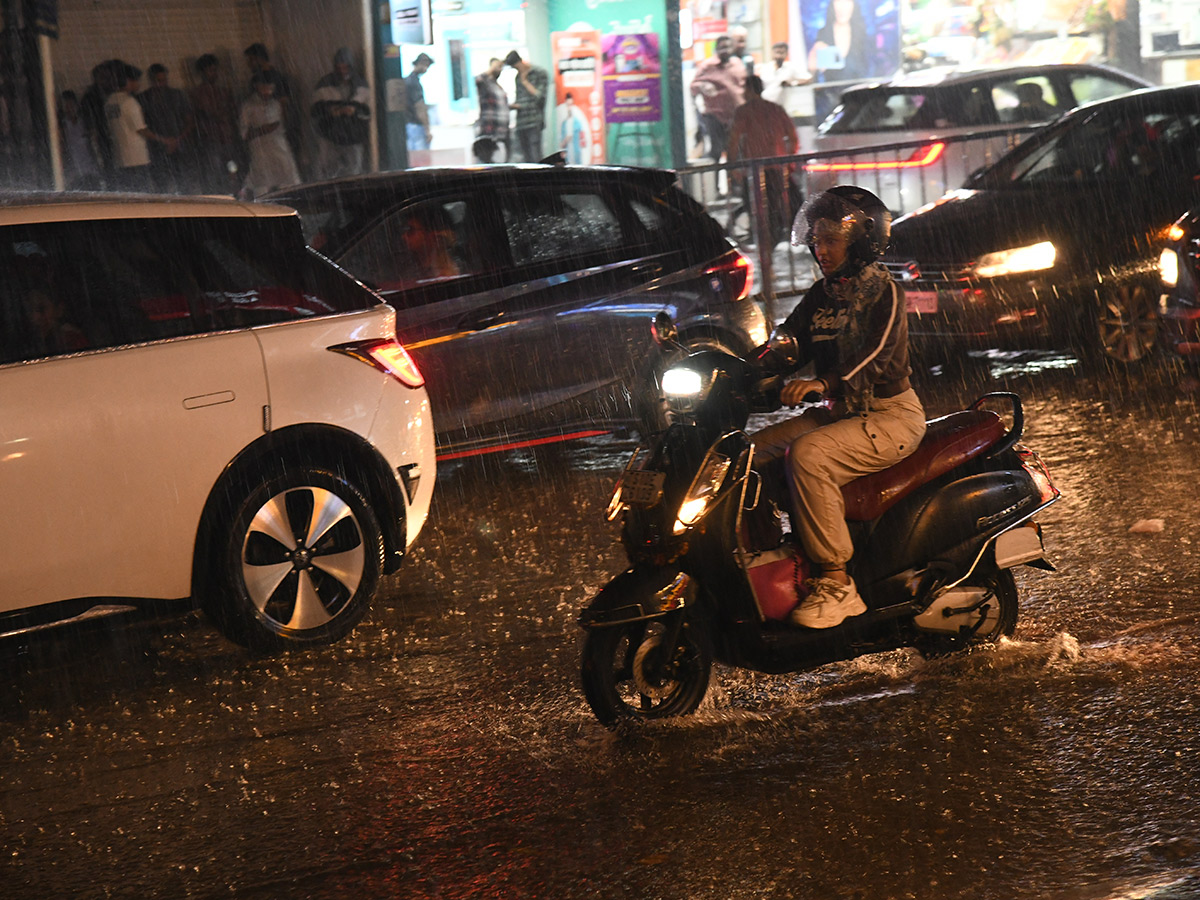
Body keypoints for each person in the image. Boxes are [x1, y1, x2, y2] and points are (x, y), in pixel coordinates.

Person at [752, 186, 926, 629]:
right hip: (839, 413)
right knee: (746, 455)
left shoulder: (884, 293)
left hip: (889, 416)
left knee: (809, 455)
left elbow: (875, 357)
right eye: (816, 239)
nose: (820, 249)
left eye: (831, 239)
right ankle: (774, 556)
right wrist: (742, 371)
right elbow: (785, 345)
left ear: (861, 242)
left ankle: (837, 582)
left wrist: (822, 382)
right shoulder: (821, 296)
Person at [726, 75, 800, 246]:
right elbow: (793, 138)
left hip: (753, 171)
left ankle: (764, 245)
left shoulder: (744, 112)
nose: (743, 92)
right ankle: (785, 233)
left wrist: (732, 167)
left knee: (757, 211)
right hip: (777, 170)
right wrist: (789, 161)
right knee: (788, 205)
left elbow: (733, 141)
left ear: (751, 90)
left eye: (745, 88)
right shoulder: (775, 109)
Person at [105, 64, 176, 192]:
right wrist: (165, 140)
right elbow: (142, 130)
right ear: (129, 81)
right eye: (136, 80)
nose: (138, 84)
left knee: (129, 194)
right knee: (141, 192)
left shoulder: (110, 101)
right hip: (136, 158)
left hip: (120, 157)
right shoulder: (129, 102)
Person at [311, 47, 371, 179]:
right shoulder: (324, 85)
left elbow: (368, 111)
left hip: (353, 137)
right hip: (330, 136)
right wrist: (330, 112)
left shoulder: (361, 85)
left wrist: (354, 111)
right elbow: (315, 111)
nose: (342, 71)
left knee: (353, 173)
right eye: (339, 68)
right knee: (327, 173)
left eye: (345, 67)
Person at [238, 73, 300, 198]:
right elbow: (244, 134)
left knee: (288, 181)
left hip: (280, 149)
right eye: (265, 88)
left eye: (271, 88)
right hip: (260, 151)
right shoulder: (248, 106)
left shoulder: (276, 104)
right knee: (262, 185)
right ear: (257, 86)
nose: (268, 92)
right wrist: (263, 130)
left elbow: (281, 127)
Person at [689, 35, 747, 163]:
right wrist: (703, 86)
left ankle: (734, 182)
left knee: (736, 153)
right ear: (716, 49)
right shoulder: (707, 66)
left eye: (727, 47)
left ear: (732, 48)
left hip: (736, 116)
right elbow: (693, 87)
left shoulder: (738, 64)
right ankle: (714, 183)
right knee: (716, 151)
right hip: (714, 116)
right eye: (721, 47)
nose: (724, 50)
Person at [190, 53, 240, 194]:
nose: (214, 73)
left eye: (215, 70)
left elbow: (233, 112)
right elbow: (211, 112)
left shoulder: (224, 91)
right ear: (203, 72)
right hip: (211, 141)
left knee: (232, 172)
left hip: (227, 139)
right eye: (210, 70)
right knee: (215, 175)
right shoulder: (199, 93)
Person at [140, 64, 193, 192]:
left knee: (183, 183)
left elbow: (189, 121)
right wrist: (164, 141)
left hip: (178, 147)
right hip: (156, 149)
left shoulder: (176, 95)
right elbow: (142, 126)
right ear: (151, 81)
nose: (161, 84)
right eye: (158, 81)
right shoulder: (144, 98)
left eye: (163, 80)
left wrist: (177, 140)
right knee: (161, 186)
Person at [243, 43, 301, 157]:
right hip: (272, 137)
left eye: (251, 60)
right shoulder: (279, 76)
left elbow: (284, 106)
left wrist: (280, 130)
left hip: (272, 138)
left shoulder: (264, 79)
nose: (248, 64)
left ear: (259, 58)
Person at [808, 0, 872, 82]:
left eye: (846, 2)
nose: (842, 7)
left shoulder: (863, 34)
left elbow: (871, 70)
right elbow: (815, 80)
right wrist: (812, 69)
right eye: (838, 1)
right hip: (829, 92)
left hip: (857, 92)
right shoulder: (823, 34)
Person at [505, 50, 548, 162]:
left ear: (520, 62)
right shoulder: (517, 77)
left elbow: (540, 97)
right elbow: (520, 98)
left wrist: (525, 82)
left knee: (536, 156)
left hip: (534, 121)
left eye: (516, 67)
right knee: (525, 158)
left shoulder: (540, 73)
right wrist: (514, 106)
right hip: (521, 122)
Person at [60, 90, 102, 190]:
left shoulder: (86, 122)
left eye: (71, 105)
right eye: (66, 105)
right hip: (74, 174)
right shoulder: (62, 125)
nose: (69, 108)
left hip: (91, 171)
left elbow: (94, 141)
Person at [474, 57, 509, 163]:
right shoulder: (485, 83)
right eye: (497, 67)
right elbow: (478, 79)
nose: (499, 70)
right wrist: (492, 68)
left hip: (501, 130)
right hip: (489, 128)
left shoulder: (498, 86)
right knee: (487, 160)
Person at [761, 42, 810, 106]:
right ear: (772, 53)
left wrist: (792, 83)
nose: (779, 56)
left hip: (782, 106)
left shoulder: (791, 67)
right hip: (765, 103)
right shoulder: (765, 68)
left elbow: (808, 79)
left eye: (782, 53)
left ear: (786, 54)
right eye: (777, 52)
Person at [403, 52, 434, 155]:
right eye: (425, 65)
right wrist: (427, 130)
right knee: (421, 157)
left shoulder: (407, 81)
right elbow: (420, 108)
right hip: (416, 125)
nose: (426, 69)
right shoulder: (414, 84)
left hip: (408, 124)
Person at [557, 93, 591, 164]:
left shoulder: (578, 122)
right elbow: (561, 144)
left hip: (577, 154)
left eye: (571, 105)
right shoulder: (564, 124)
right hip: (567, 156)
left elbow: (583, 139)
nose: (569, 108)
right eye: (568, 105)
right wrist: (565, 141)